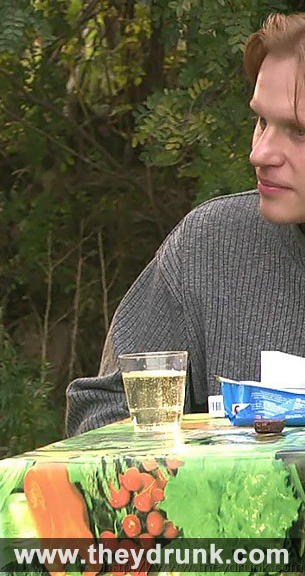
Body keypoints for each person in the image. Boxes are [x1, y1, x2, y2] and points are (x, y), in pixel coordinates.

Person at [65, 12, 305, 436]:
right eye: (262, 121)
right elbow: (100, 415)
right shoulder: (210, 247)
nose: (260, 153)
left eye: (298, 131)